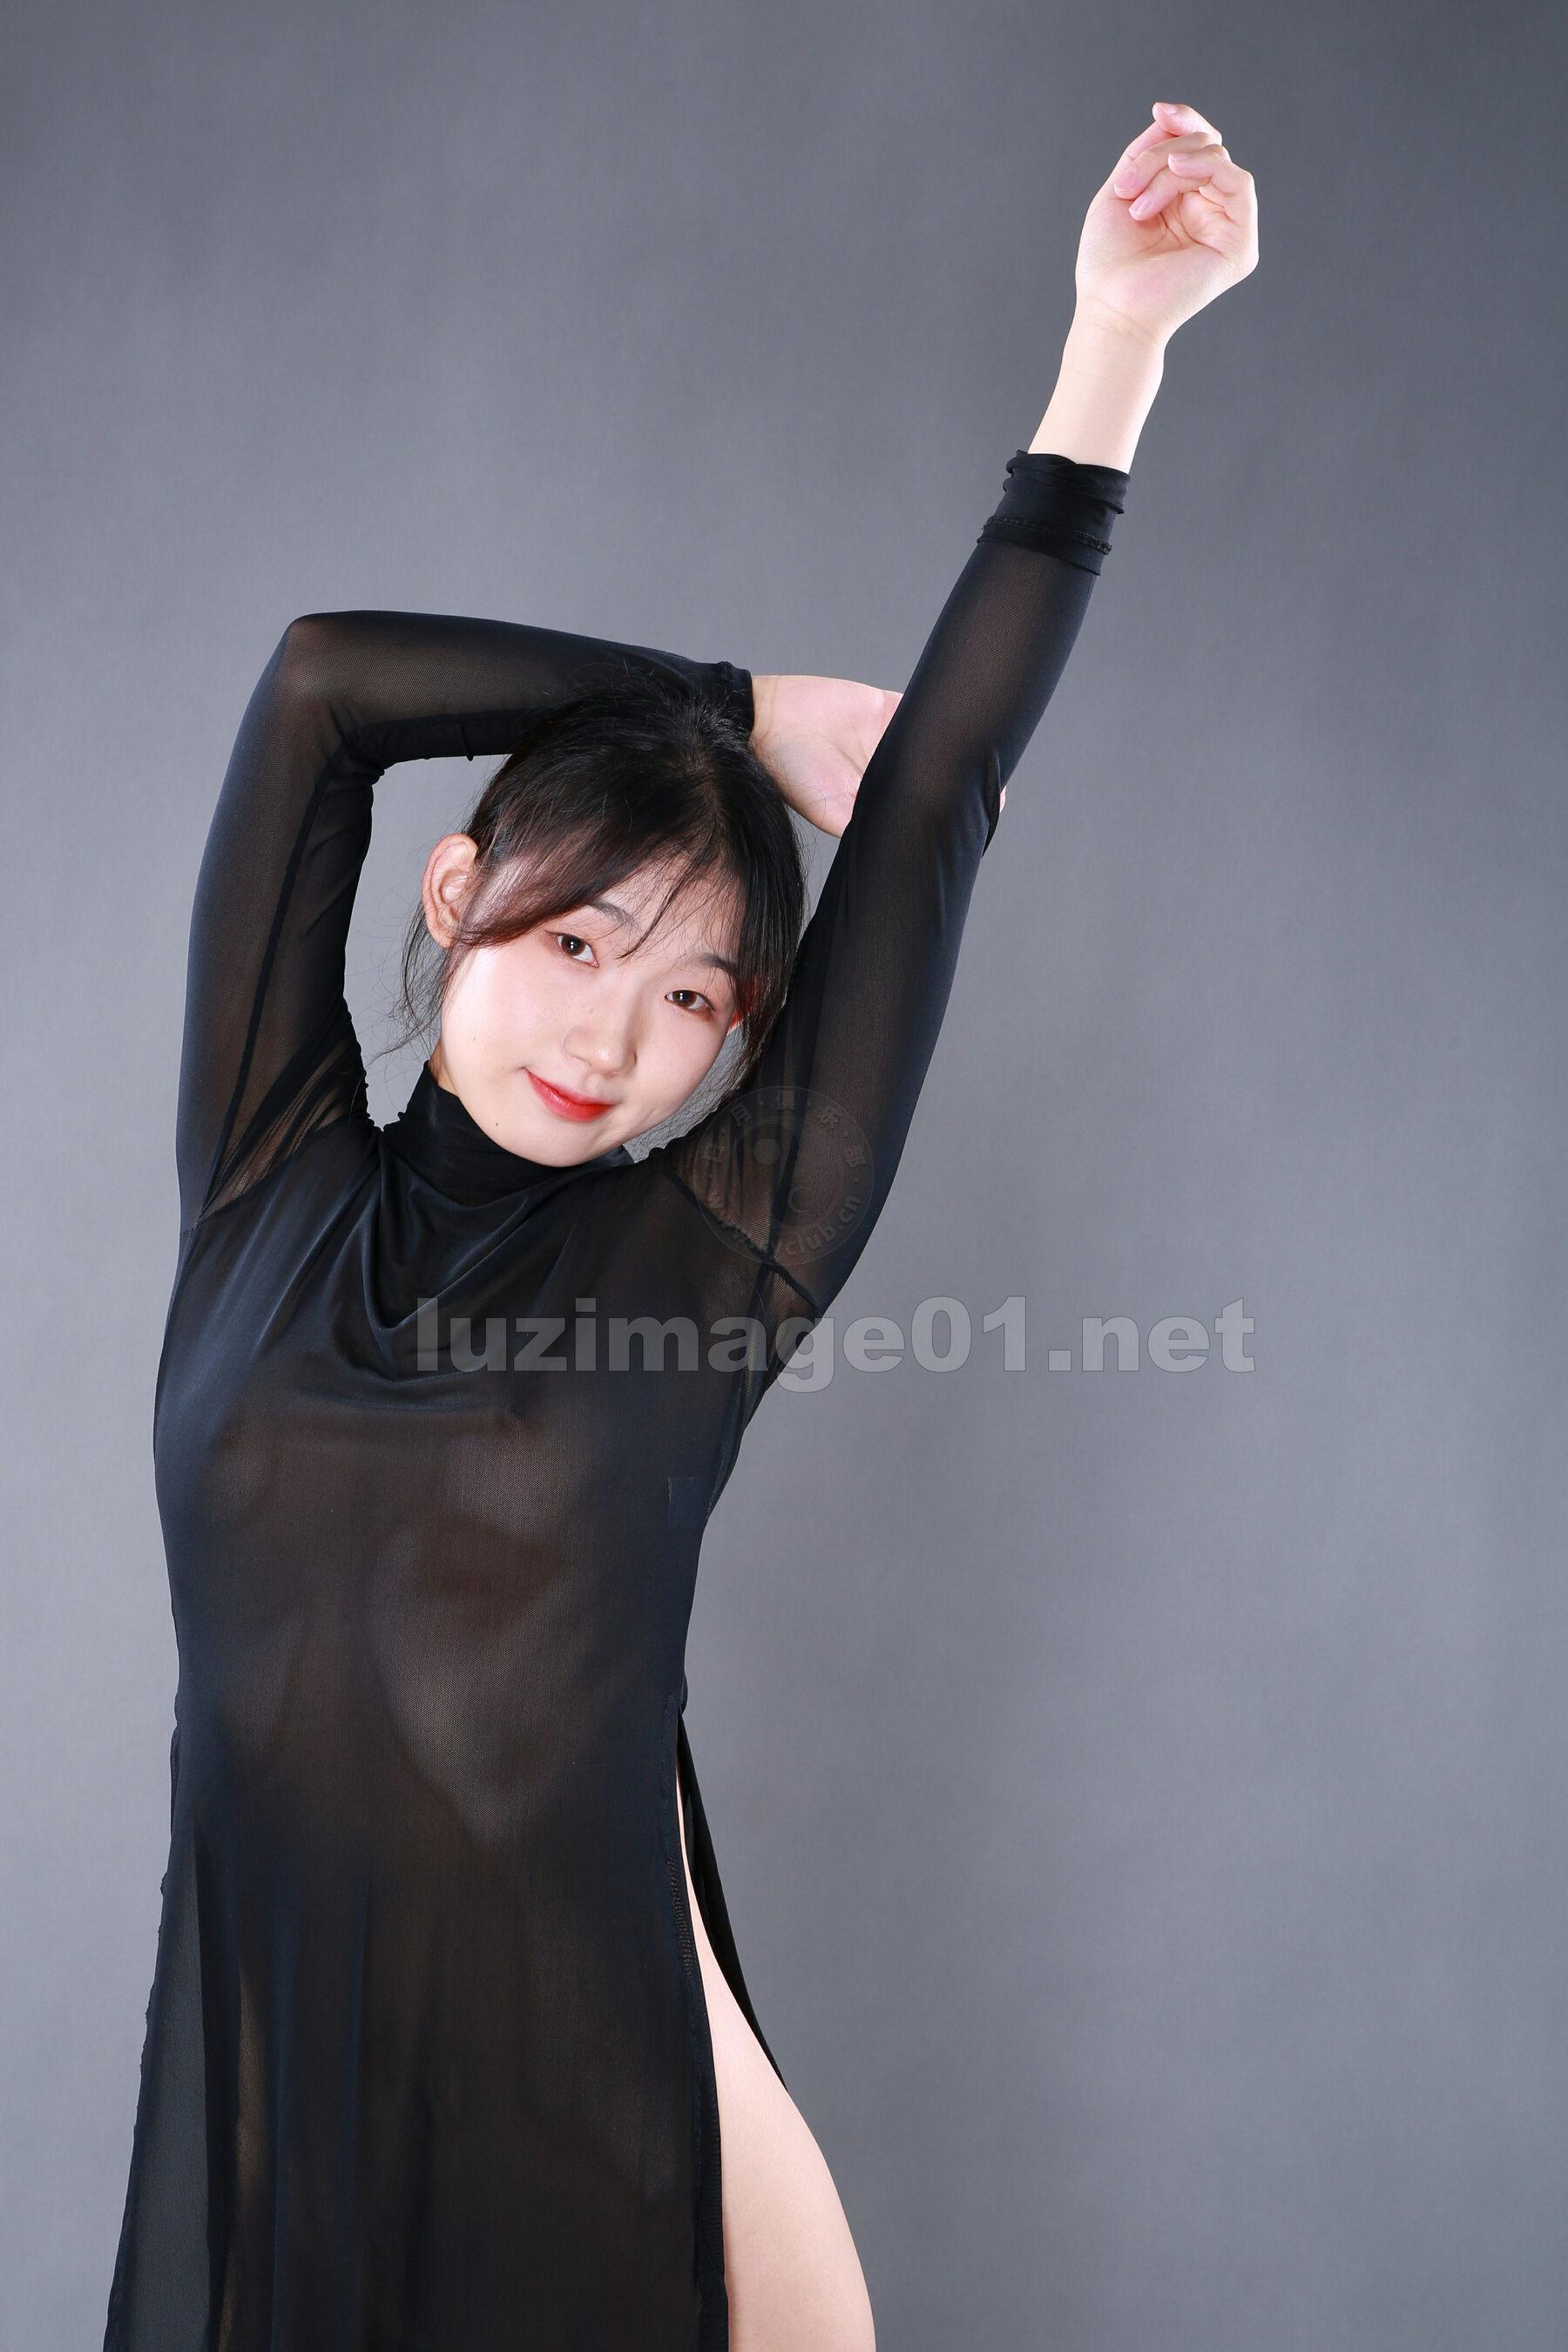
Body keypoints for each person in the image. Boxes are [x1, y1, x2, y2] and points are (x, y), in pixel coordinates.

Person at [102, 97, 1257, 2352]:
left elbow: (934, 800)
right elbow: (324, 682)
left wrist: (1114, 344)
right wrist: (725, 707)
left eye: (698, 996)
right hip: (293, 2092)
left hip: (608, 2101)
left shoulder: (702, 1265)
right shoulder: (262, 1173)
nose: (616, 1035)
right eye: (578, 941)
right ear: (457, 895)